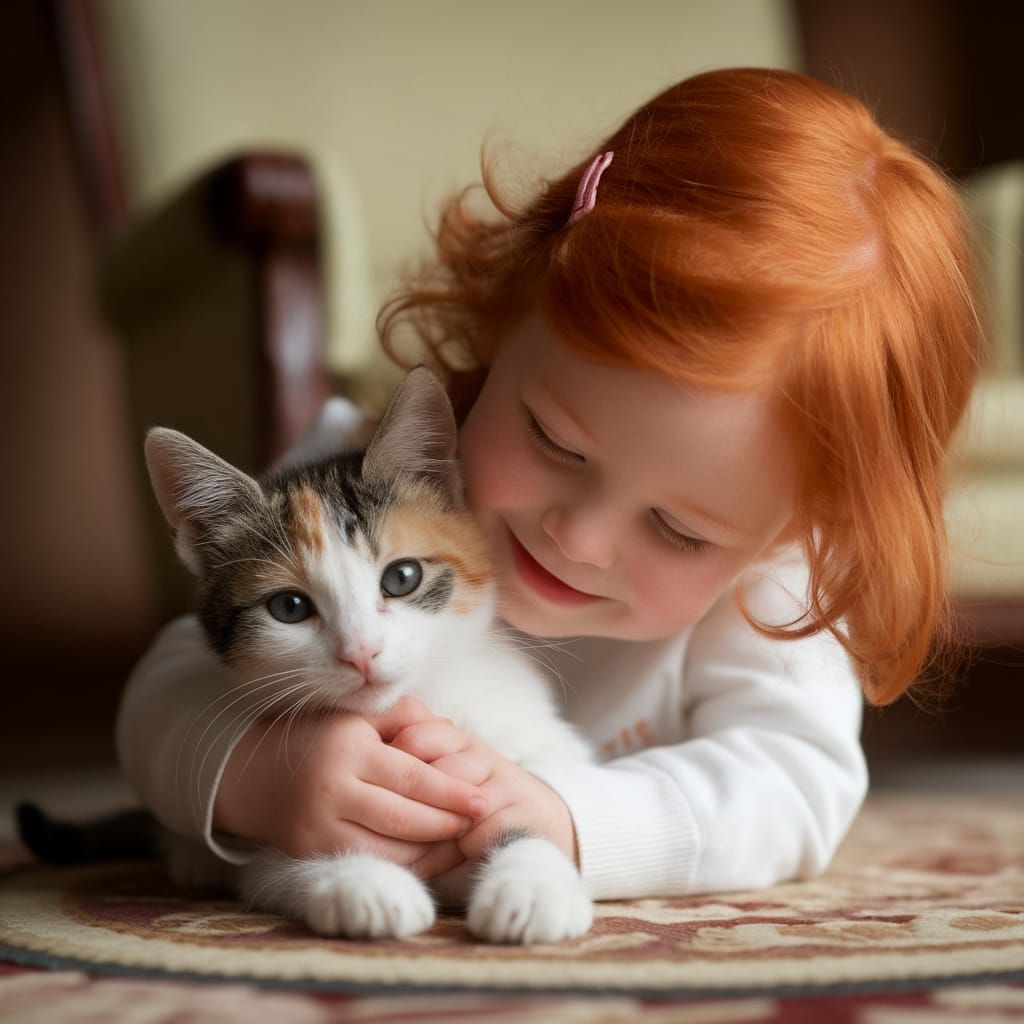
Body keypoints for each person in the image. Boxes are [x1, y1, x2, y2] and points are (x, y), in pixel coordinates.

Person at [117, 68, 982, 900]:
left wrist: (567, 819)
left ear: (788, 526)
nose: (580, 536)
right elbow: (166, 686)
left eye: (679, 530)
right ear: (500, 324)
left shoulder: (769, 584)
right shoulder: (361, 478)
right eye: (557, 442)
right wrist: (256, 777)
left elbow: (794, 786)